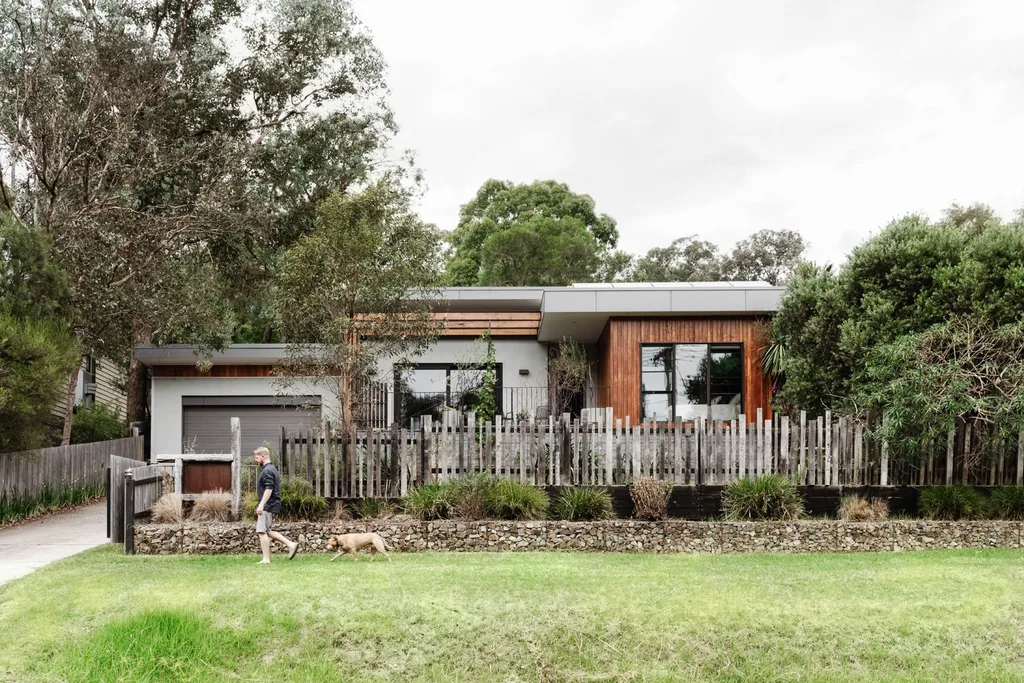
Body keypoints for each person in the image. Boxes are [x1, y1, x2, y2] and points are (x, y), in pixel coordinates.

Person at [253, 447, 298, 563]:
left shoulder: (267, 470)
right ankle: (290, 544)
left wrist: (261, 505)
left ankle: (266, 559)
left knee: (261, 531)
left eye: (257, 457)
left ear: (263, 456)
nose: (256, 460)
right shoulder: (272, 469)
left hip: (268, 505)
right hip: (272, 504)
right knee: (267, 530)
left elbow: (269, 489)